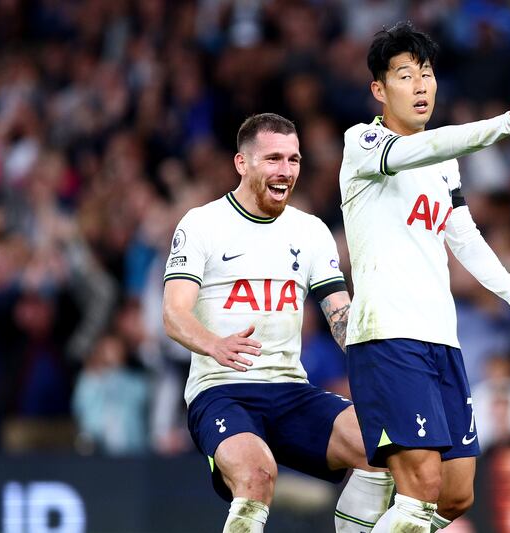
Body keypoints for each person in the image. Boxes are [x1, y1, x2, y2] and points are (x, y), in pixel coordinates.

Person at [339, 22, 510, 532]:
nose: (420, 86)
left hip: (442, 340)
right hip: (389, 336)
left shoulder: (444, 162)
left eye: (427, 74)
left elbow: (462, 233)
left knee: (455, 496)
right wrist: (507, 124)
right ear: (379, 89)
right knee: (423, 489)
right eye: (405, 76)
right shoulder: (364, 143)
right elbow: (419, 151)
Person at [162, 113, 393, 533]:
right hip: (221, 392)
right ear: (242, 163)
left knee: (384, 447)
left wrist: (380, 357)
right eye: (273, 159)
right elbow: (174, 314)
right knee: (257, 475)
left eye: (293, 159)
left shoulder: (311, 231)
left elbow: (341, 315)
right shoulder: (201, 224)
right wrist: (215, 344)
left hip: (290, 390)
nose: (285, 171)